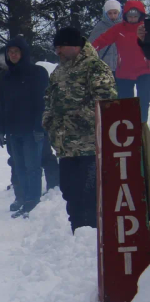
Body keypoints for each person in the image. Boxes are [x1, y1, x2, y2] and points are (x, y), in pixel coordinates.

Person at [44, 27, 117, 231]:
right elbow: (49, 99)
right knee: (70, 192)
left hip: (90, 146)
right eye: (56, 48)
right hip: (66, 147)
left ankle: (93, 236)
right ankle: (77, 234)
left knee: (89, 195)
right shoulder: (59, 71)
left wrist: (74, 117)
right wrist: (48, 121)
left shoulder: (95, 67)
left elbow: (106, 101)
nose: (57, 52)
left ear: (75, 46)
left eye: (61, 47)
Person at [0, 37, 50, 217]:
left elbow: (43, 102)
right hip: (12, 130)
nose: (13, 55)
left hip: (32, 129)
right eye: (10, 52)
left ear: (23, 53)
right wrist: (0, 129)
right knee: (19, 167)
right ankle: (24, 199)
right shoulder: (5, 76)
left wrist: (40, 127)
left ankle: (33, 201)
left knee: (33, 167)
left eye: (16, 52)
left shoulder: (37, 73)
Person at [91, 0, 150, 123]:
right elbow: (101, 40)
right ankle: (128, 130)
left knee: (143, 102)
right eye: (130, 16)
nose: (133, 19)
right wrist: (88, 51)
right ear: (125, 16)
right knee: (125, 104)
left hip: (145, 70)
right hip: (124, 72)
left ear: (141, 15)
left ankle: (142, 127)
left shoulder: (146, 28)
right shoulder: (118, 28)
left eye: (135, 16)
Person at [89, 0, 122, 73]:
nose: (112, 15)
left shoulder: (124, 26)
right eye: (109, 13)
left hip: (121, 68)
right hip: (104, 66)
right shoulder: (100, 27)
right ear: (105, 13)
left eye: (115, 13)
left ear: (119, 13)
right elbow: (91, 46)